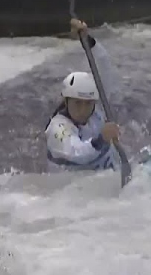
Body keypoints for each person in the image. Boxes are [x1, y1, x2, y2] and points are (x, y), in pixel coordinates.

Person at [43, 19, 123, 172]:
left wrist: (88, 40)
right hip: (75, 187)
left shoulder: (97, 109)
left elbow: (104, 66)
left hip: (108, 175)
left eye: (88, 103)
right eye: (77, 103)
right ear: (66, 102)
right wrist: (102, 139)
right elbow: (77, 152)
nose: (83, 109)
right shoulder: (58, 128)